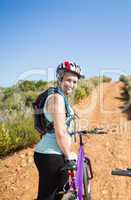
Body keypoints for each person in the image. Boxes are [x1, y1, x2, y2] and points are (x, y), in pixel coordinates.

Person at [34, 60, 84, 200]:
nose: (72, 85)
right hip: (51, 155)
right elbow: (60, 132)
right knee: (48, 196)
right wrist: (69, 157)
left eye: (75, 82)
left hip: (55, 153)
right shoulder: (57, 98)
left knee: (59, 194)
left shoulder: (60, 97)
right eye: (68, 80)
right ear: (60, 78)